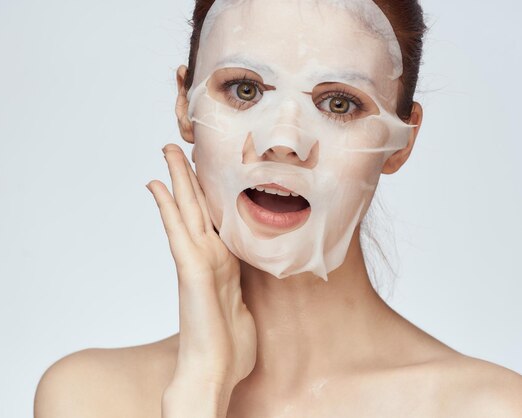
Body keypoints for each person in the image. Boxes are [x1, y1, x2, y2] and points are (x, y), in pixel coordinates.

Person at [34, 0, 522, 416]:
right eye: (245, 90)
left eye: (338, 104)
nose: (283, 142)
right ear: (185, 103)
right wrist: (202, 386)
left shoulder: (490, 408)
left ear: (402, 141)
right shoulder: (89, 398)